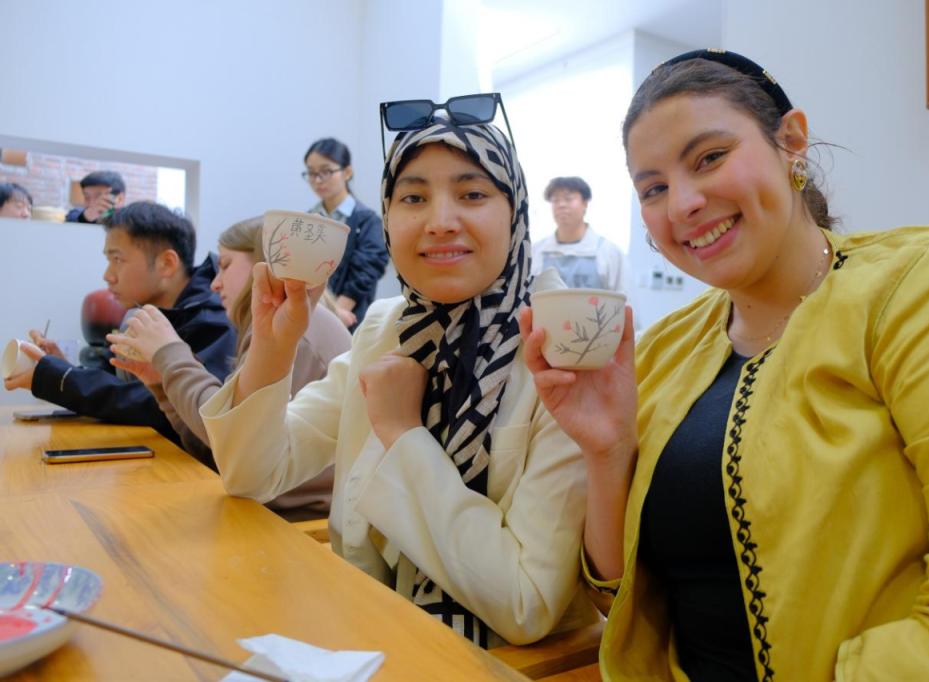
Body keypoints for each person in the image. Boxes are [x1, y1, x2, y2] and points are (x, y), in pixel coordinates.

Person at [522, 49, 929, 680]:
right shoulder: (662, 350)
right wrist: (606, 451)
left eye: (709, 158)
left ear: (792, 142)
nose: (681, 204)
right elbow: (622, 606)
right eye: (653, 189)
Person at [201, 112, 595, 647]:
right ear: (387, 219)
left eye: (473, 194)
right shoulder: (388, 328)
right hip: (367, 633)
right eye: (413, 198)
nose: (440, 221)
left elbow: (527, 603)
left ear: (516, 213)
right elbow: (253, 475)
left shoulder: (564, 344)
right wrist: (273, 348)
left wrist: (401, 432)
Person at [107, 217, 352, 521]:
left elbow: (238, 441)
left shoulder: (298, 333)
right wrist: (162, 384)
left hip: (300, 523)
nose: (215, 283)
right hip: (275, 511)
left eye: (225, 265)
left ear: (264, 265)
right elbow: (228, 450)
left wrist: (170, 353)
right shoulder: (269, 326)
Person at [4, 202, 236, 445]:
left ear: (167, 263)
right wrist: (63, 367)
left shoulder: (213, 321)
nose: (107, 275)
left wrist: (62, 379)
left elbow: (167, 406)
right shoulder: (143, 315)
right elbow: (116, 381)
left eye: (118, 259)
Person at [304, 137, 389, 329]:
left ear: (347, 172)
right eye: (311, 173)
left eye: (326, 171)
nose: (318, 180)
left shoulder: (367, 220)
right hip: (311, 315)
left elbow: (367, 269)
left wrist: (336, 312)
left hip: (349, 319)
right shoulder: (308, 219)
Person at [531, 176, 627, 292]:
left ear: (585, 203)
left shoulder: (609, 253)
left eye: (568, 199)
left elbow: (624, 299)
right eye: (555, 200)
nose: (561, 205)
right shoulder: (536, 252)